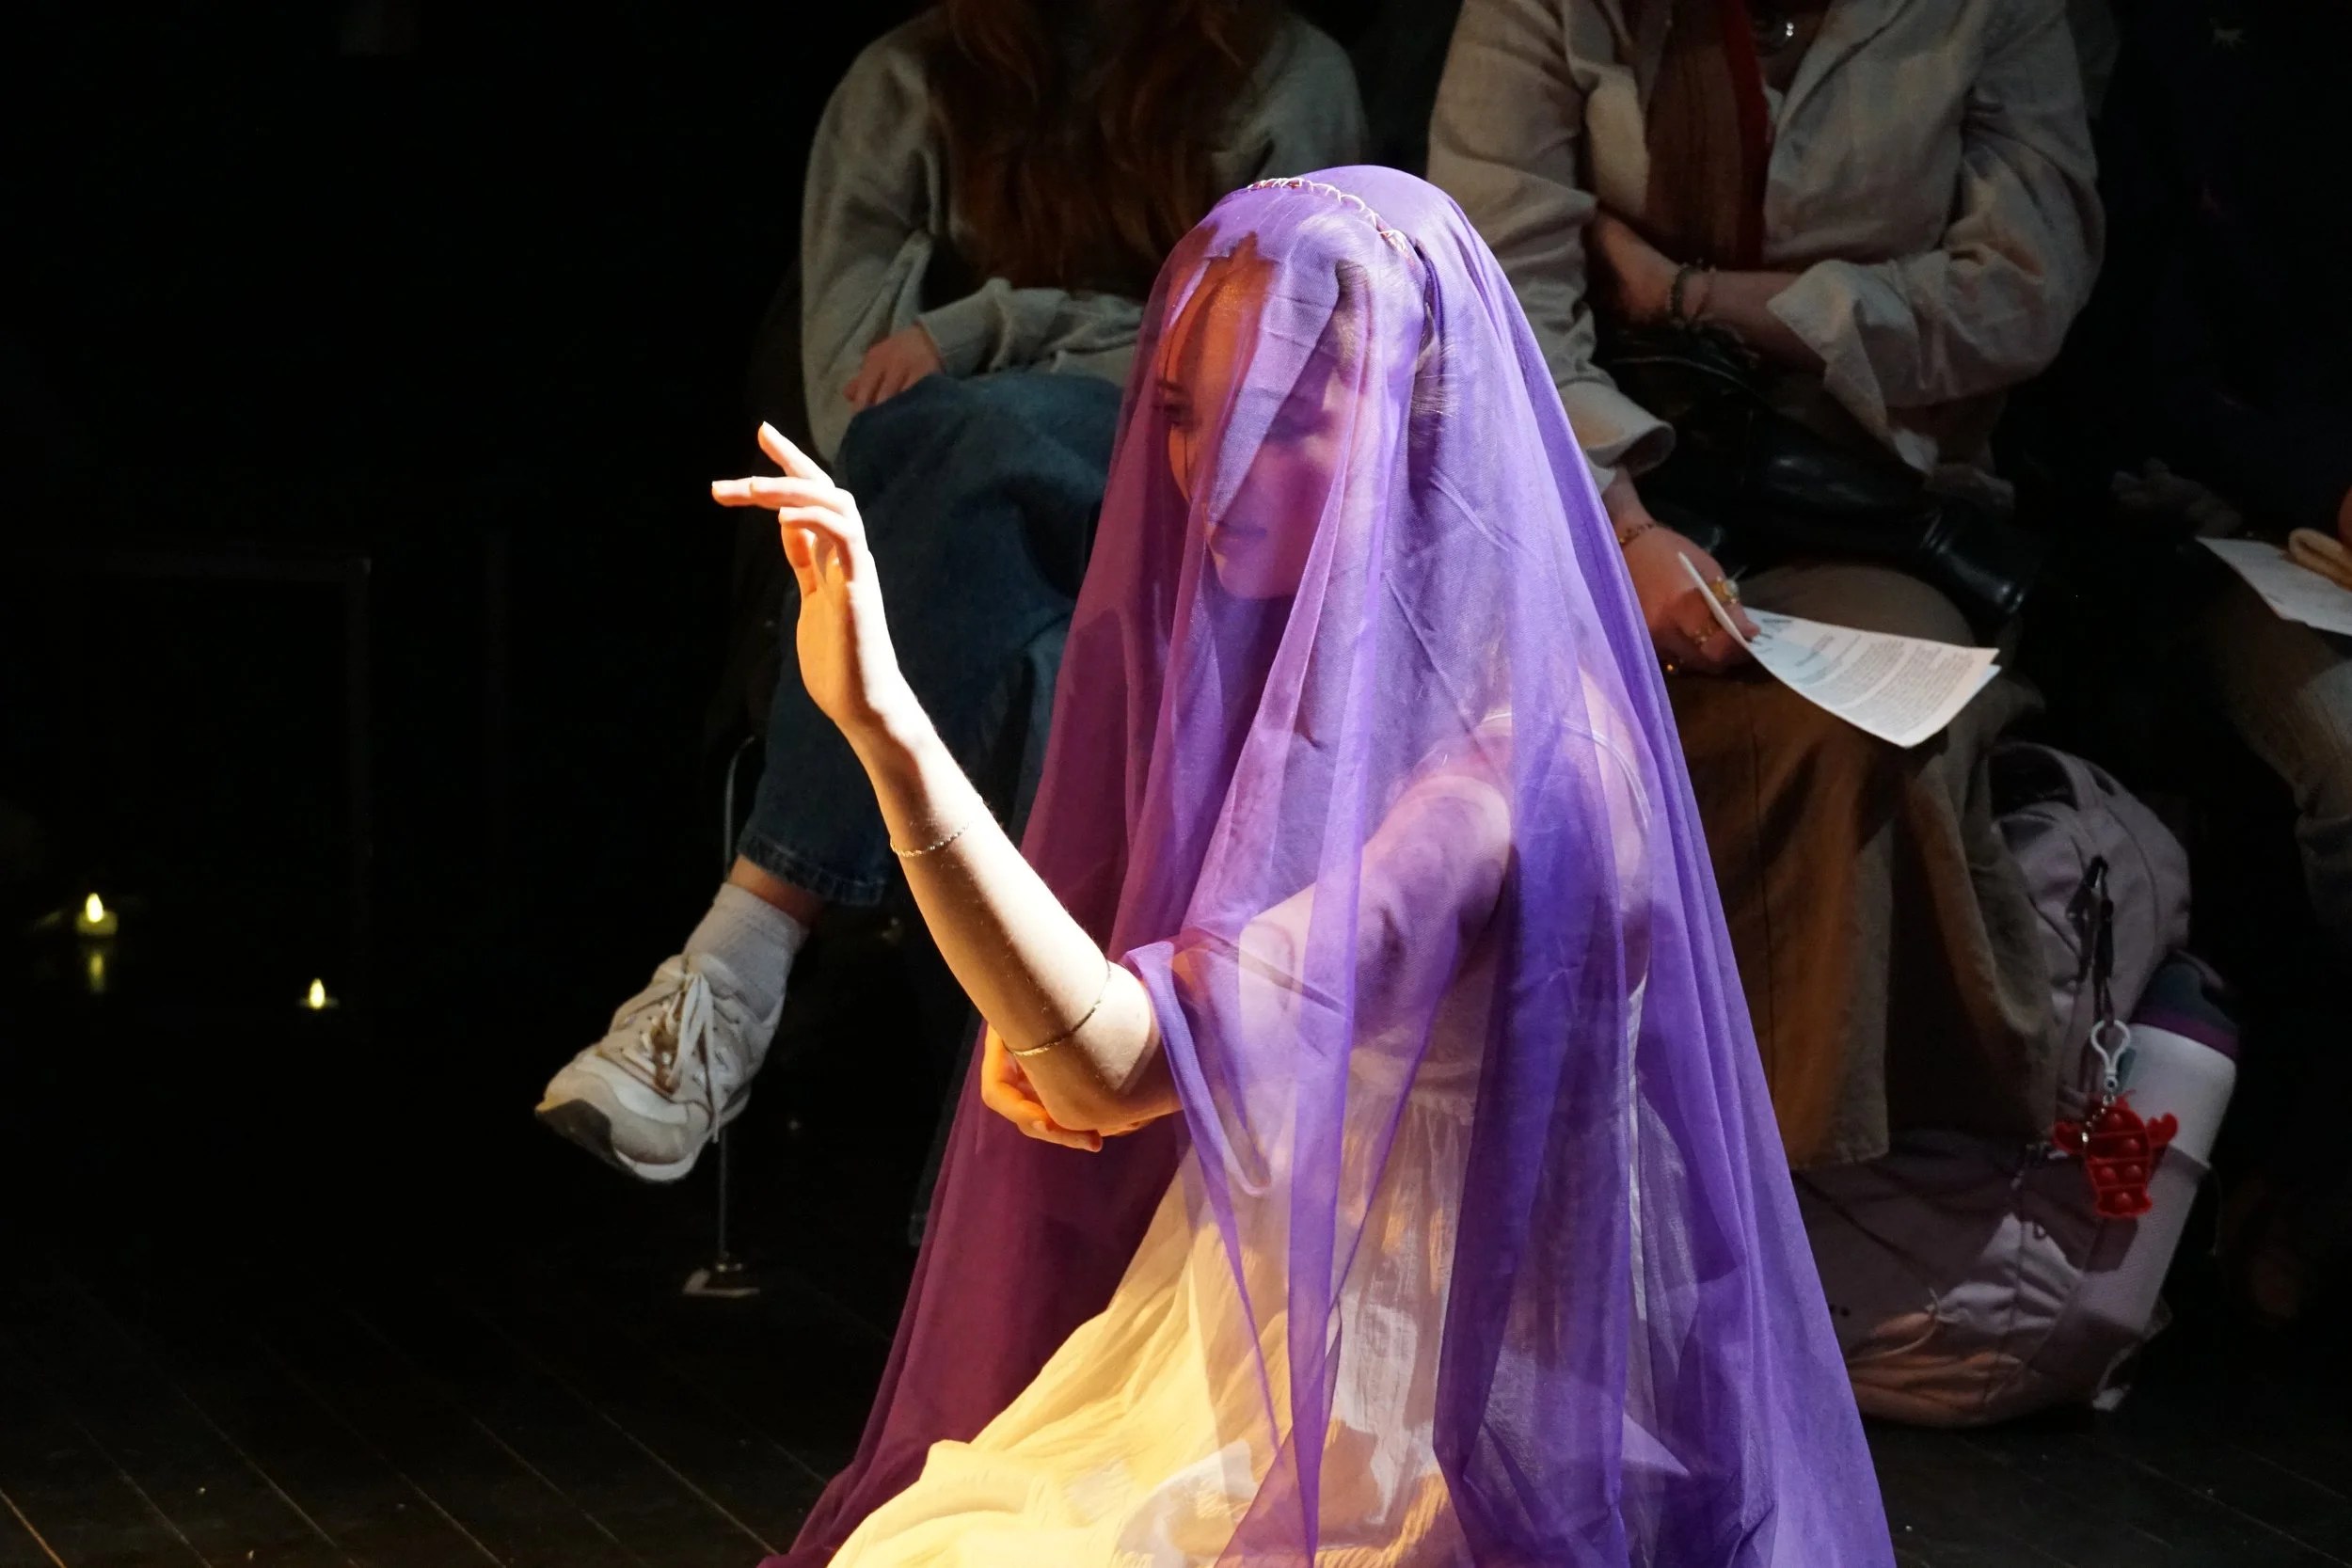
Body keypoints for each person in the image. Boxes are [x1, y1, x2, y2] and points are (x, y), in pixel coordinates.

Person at [733, 167, 1891, 1567]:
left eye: (1279, 419)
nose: (1209, 469)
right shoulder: (1371, 674)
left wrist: (887, 725)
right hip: (1297, 1308)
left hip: (1450, 1402)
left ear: (1419, 416)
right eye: (1176, 415)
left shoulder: (1505, 781)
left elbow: (1114, 1057)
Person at [535, 0, 1365, 1180]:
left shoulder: (1280, 74)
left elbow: (1268, 364)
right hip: (965, 577)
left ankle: (740, 960)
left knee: (979, 440)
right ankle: (997, 1200)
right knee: (1035, 660)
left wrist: (994, 323)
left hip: (1204, 519)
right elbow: (857, 411)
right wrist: (1068, 364)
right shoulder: (906, 85)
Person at [1427, 0, 2104, 1167]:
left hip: (1860, 493)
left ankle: (1796, 1189)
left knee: (1837, 735)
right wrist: (1618, 524)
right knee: (1537, 731)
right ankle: (1551, 1171)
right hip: (1579, 482)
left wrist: (1700, 299)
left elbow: (2017, 293)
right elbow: (1499, 286)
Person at [2089, 0, 2352, 1323]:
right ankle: (2312, 1176)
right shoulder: (2207, 58)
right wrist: (2329, 484)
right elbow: (2153, 358)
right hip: (2249, 523)